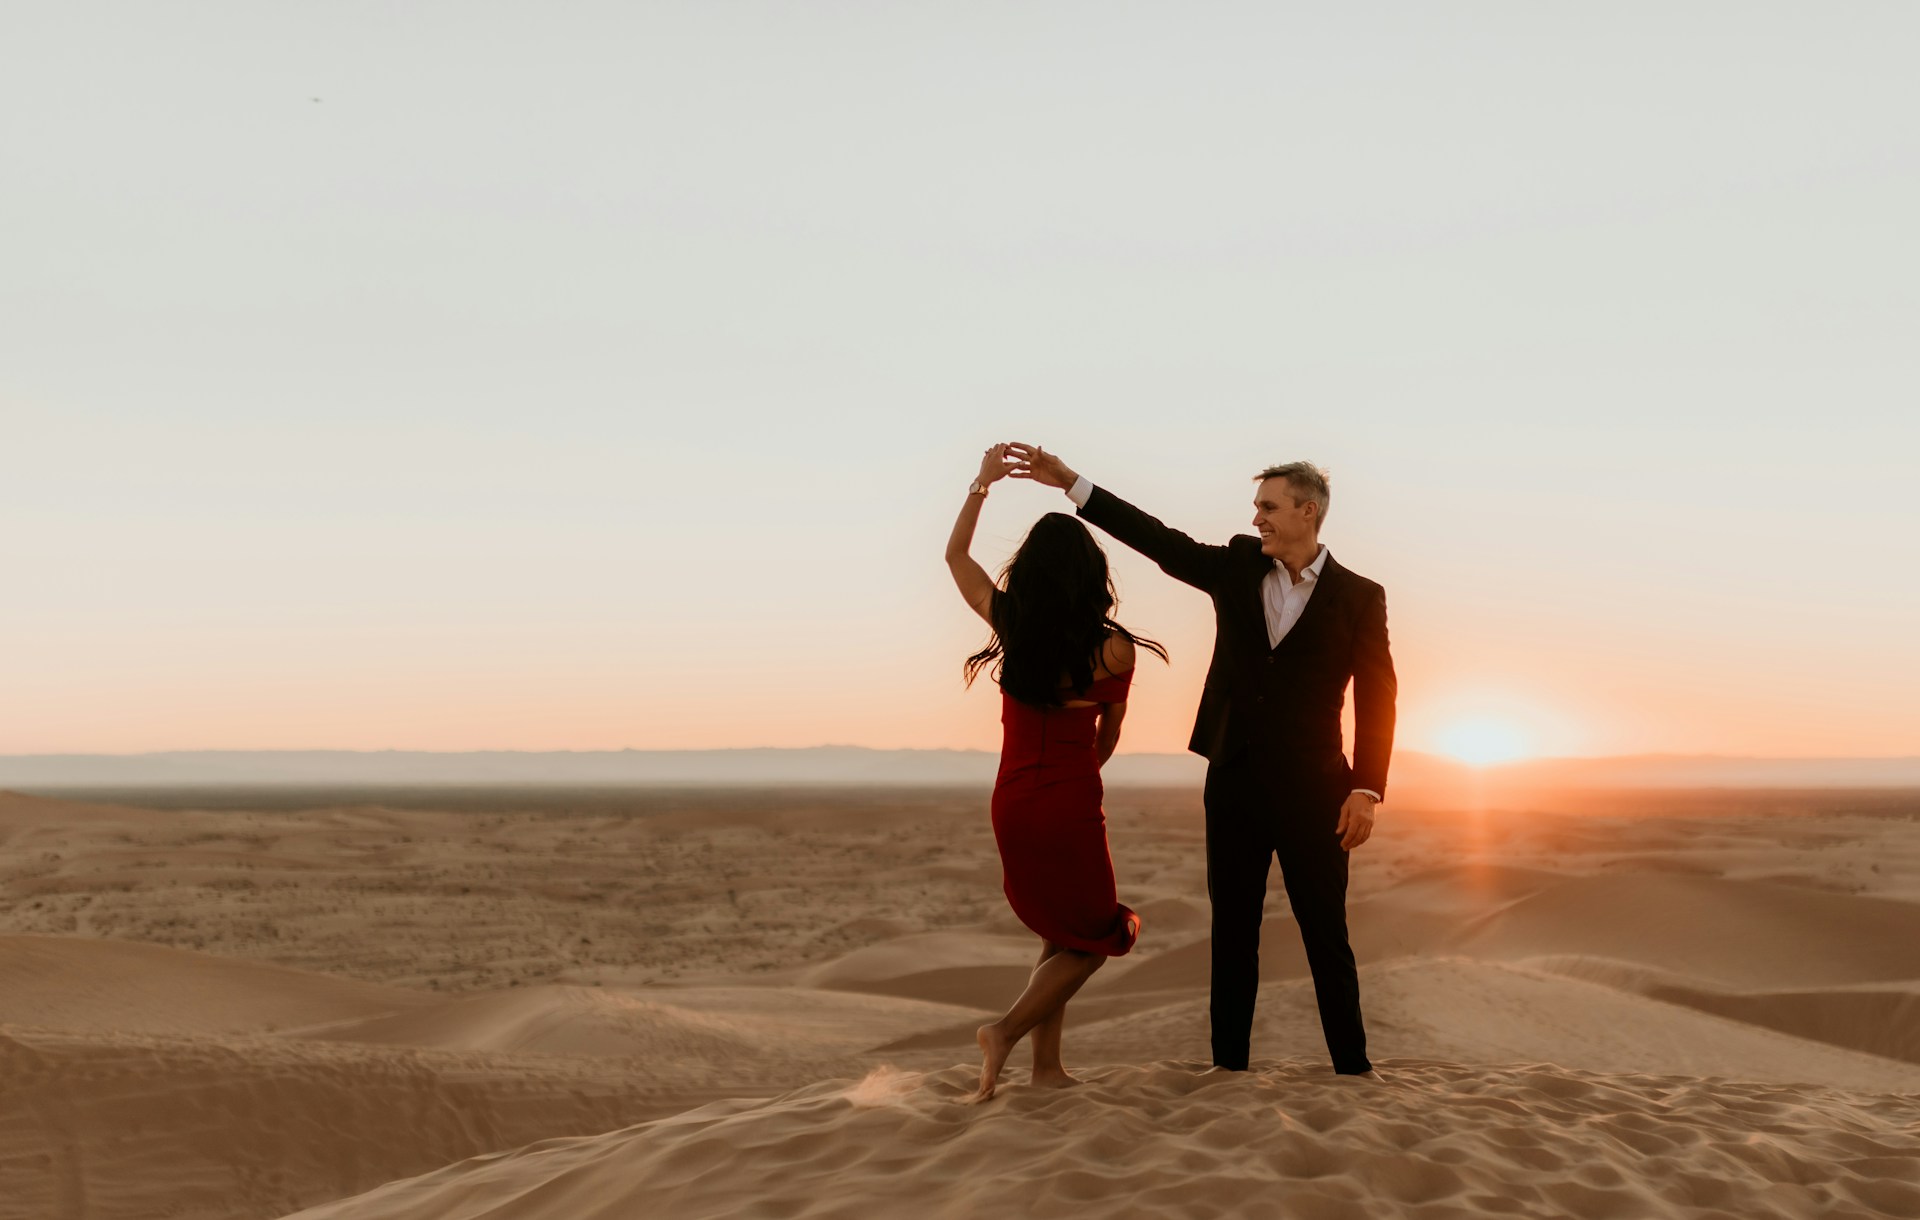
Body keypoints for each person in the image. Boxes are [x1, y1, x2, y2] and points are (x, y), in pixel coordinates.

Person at [1007, 442, 1395, 1078]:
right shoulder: (1239, 566)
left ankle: (1353, 1068)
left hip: (1317, 790)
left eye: (1268, 507)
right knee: (1233, 929)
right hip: (1234, 780)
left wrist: (1367, 789)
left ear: (1307, 510)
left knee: (1326, 931)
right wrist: (1072, 484)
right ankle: (1228, 1070)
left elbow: (1380, 698)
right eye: (1256, 507)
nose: (1257, 519)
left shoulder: (1360, 596)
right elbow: (1159, 541)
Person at [945, 443, 1168, 1102]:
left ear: (1033, 575)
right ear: (1091, 574)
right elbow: (1110, 737)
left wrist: (982, 485)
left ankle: (1047, 1070)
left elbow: (957, 559)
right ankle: (1005, 1032)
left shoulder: (1013, 626)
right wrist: (1078, 773)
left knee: (1059, 930)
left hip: (1011, 801)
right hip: (1070, 799)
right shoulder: (1114, 647)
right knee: (1098, 936)